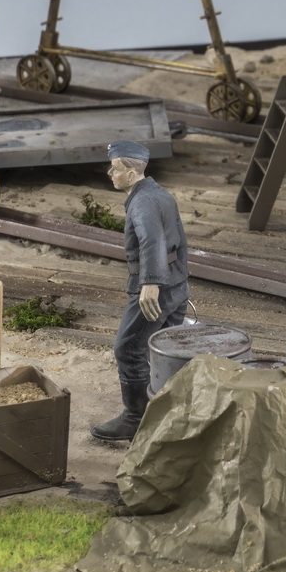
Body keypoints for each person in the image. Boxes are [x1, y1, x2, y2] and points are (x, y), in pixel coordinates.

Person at [90, 139, 190, 441]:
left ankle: (135, 419)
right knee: (166, 350)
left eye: (115, 168)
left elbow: (152, 241)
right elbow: (180, 241)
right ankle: (168, 413)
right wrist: (179, 282)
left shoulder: (142, 202)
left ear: (132, 173)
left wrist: (150, 283)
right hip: (176, 285)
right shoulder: (161, 194)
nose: (110, 173)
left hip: (156, 288)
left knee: (129, 349)